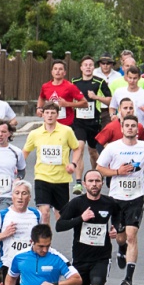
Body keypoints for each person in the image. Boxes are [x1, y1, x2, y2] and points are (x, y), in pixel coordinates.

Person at [96, 115, 144, 285]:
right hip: (116, 198)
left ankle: (128, 279)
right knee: (121, 237)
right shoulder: (113, 148)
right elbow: (99, 168)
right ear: (122, 129)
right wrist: (117, 171)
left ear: (137, 130)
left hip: (136, 197)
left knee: (132, 236)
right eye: (127, 126)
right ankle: (121, 247)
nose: (130, 128)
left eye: (133, 126)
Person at [56, 169, 115, 285]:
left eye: (98, 181)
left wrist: (115, 230)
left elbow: (118, 220)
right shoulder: (77, 203)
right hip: (80, 259)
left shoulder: (109, 203)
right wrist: (80, 218)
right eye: (91, 181)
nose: (94, 184)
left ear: (102, 183)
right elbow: (59, 225)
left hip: (101, 257)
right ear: (85, 184)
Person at [24, 103, 83, 224]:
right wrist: (17, 168)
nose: (50, 116)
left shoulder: (66, 131)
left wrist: (73, 164)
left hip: (61, 179)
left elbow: (77, 148)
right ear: (43, 114)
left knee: (61, 218)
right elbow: (25, 152)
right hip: (42, 177)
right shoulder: (35, 133)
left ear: (58, 115)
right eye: (47, 113)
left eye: (53, 113)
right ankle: (46, 243)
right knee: (44, 213)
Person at [0, 181, 41, 279]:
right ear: (12, 196)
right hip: (8, 266)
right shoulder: (2, 215)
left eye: (24, 193)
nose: (20, 197)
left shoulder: (37, 214)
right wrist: (4, 234)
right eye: (17, 193)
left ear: (29, 197)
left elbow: (44, 238)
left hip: (30, 266)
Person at [72, 55, 113, 185]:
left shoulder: (99, 82)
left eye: (90, 65)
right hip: (78, 121)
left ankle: (95, 175)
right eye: (85, 65)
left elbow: (110, 99)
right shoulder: (74, 82)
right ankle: (78, 181)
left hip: (94, 121)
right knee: (79, 147)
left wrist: (96, 97)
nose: (88, 67)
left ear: (93, 68)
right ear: (81, 68)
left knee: (93, 151)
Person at [36, 59, 88, 129]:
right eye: (55, 69)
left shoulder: (70, 86)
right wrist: (39, 108)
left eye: (60, 69)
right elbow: (41, 97)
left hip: (66, 124)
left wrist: (67, 104)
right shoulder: (45, 86)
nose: (57, 71)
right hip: (50, 124)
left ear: (64, 73)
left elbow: (85, 103)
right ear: (52, 72)